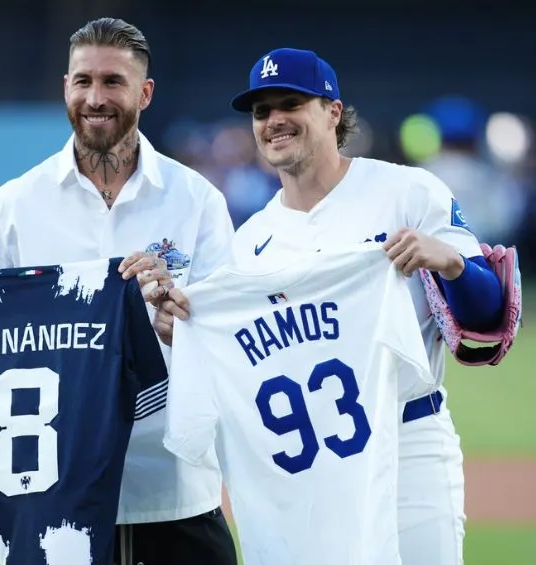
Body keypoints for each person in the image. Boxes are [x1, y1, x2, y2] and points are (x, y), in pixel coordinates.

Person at [0, 17, 238, 565]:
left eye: (113, 82)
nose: (95, 97)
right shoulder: (13, 206)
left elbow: (232, 332)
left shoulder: (197, 201)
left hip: (174, 490)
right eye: (83, 81)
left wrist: (181, 319)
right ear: (65, 88)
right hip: (55, 501)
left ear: (144, 93)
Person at [154, 47, 506, 565]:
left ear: (332, 111)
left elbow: (488, 313)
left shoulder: (407, 191)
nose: (273, 120)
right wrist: (180, 329)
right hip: (306, 462)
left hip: (410, 442)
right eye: (260, 111)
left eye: (290, 103)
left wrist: (451, 263)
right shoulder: (248, 244)